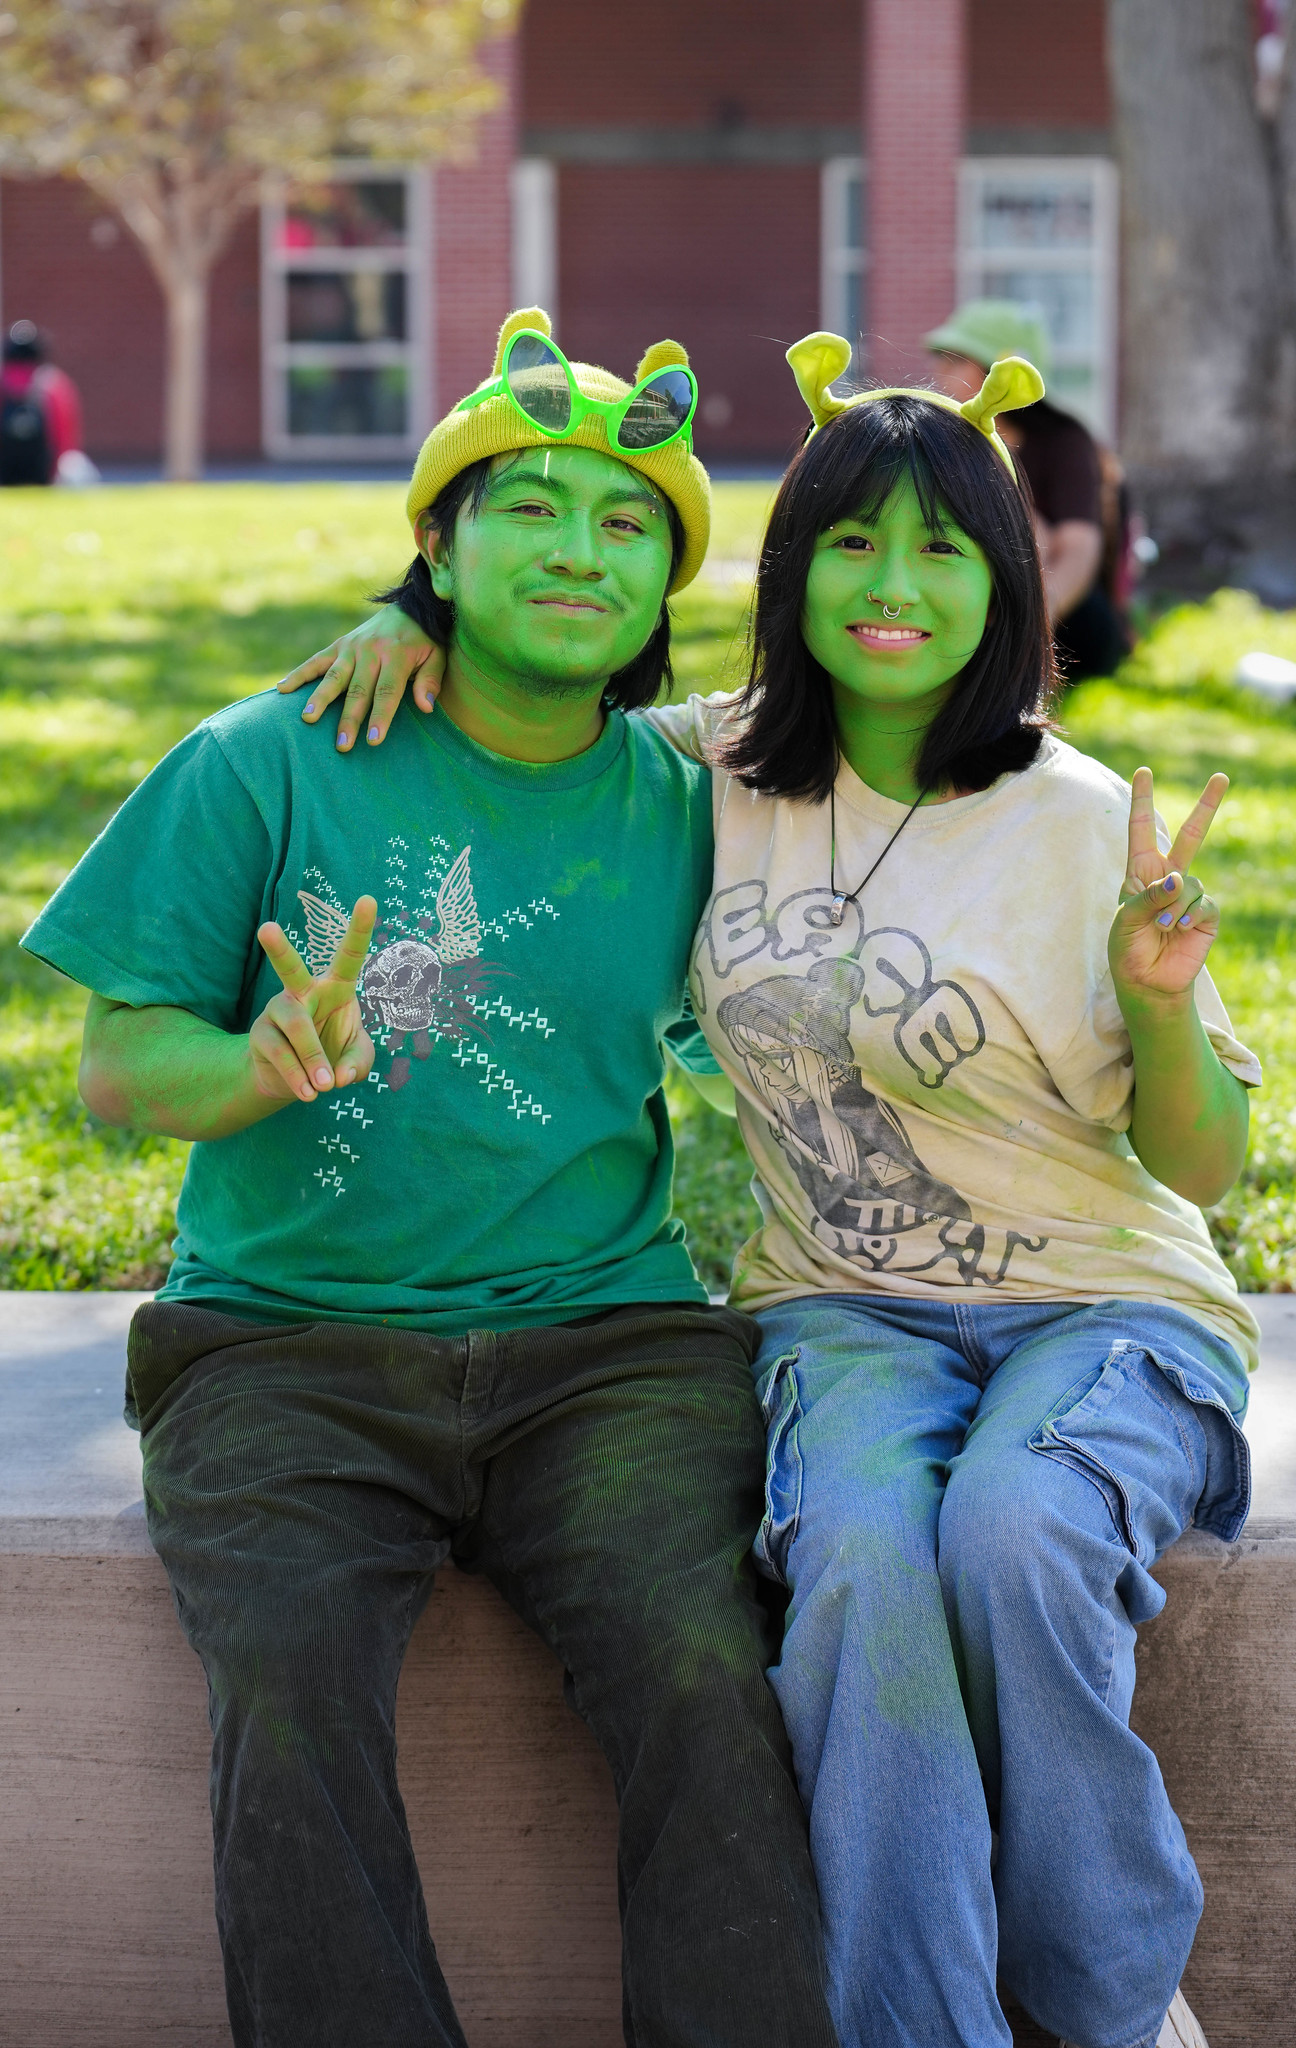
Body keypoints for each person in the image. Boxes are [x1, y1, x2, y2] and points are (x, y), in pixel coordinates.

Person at [283, 332, 1259, 2048]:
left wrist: (1165, 1006)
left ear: (1009, 581)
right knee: (866, 1570)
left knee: (1017, 1532)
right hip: (843, 1307)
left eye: (945, 545)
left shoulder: (1085, 815)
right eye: (851, 542)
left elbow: (1197, 1164)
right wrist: (411, 618)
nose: (895, 584)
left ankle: (1109, 2000)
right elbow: (526, 700)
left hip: (1105, 1304)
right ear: (788, 572)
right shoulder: (697, 770)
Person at [20, 307, 840, 2048]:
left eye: (628, 523)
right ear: (440, 550)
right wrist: (247, 1065)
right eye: (526, 506)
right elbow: (114, 1057)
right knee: (292, 1683)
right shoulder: (269, 755)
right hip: (281, 1346)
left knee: (709, 1664)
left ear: (664, 586)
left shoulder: (702, 802)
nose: (576, 547)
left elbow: (894, 698)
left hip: (604, 1345)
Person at [925, 298, 1130, 681]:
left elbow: (1076, 550)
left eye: (953, 360)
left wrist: (1029, 623)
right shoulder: (944, 439)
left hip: (1064, 617)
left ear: (997, 372)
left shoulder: (1064, 441)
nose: (938, 370)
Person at [0, 320, 98, 486]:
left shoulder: (5, 382)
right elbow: (67, 440)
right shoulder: (54, 384)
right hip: (44, 476)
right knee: (75, 465)